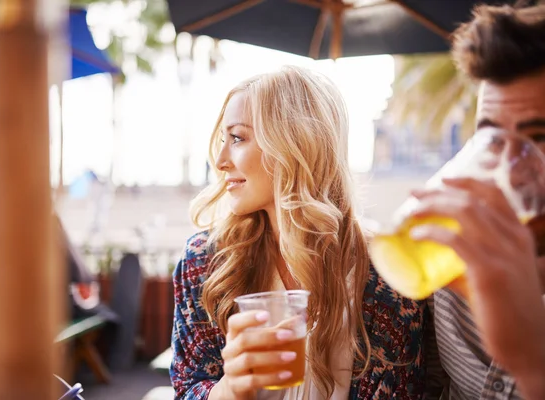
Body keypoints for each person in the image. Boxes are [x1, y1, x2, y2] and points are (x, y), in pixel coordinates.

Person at [170, 66, 431, 399]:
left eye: (237, 138)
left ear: (294, 145)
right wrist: (229, 390)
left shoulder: (385, 271)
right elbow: (188, 387)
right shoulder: (204, 262)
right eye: (223, 139)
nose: (220, 161)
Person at [415, 4, 545, 399]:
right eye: (492, 138)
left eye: (538, 138)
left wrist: (533, 363)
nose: (509, 167)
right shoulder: (455, 264)